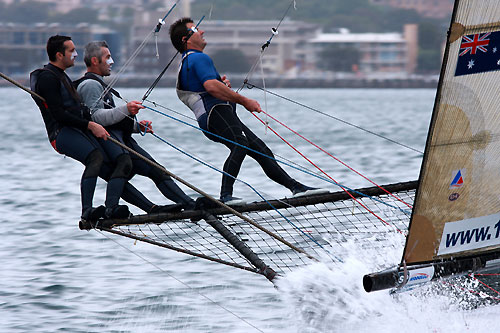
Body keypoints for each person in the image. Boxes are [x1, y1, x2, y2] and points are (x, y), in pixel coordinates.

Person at [169, 18, 322, 204]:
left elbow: (208, 87)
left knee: (261, 150)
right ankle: (225, 196)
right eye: (195, 29)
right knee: (239, 144)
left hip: (214, 115)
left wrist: (222, 86)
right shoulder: (197, 57)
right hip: (215, 113)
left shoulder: (187, 61)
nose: (202, 32)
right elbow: (211, 87)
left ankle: (296, 187)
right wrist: (244, 100)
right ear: (186, 39)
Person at [74, 41, 195, 211]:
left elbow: (112, 117)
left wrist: (137, 127)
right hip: (109, 142)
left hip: (121, 138)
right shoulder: (90, 85)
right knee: (123, 167)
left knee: (157, 170)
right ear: (95, 61)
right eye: (108, 57)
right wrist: (126, 109)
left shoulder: (100, 84)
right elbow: (96, 118)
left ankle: (189, 204)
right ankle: (113, 209)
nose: (112, 61)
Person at [30, 35, 137, 221]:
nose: (76, 54)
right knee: (95, 157)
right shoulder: (48, 77)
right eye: (71, 51)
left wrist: (131, 124)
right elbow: (58, 114)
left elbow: (78, 110)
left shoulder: (61, 76)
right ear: (58, 54)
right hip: (60, 133)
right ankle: (87, 211)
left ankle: (116, 207)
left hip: (73, 129)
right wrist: (90, 125)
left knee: (104, 160)